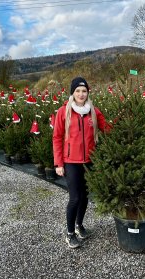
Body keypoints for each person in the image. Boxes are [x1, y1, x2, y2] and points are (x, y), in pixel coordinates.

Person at [52, 77, 110, 249]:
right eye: (78, 91)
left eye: (84, 91)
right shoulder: (64, 111)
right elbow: (56, 138)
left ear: (88, 93)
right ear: (73, 92)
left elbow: (106, 128)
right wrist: (58, 163)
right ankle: (69, 234)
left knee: (84, 197)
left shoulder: (93, 111)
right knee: (75, 197)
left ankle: (79, 225)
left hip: (89, 161)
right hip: (71, 161)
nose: (81, 94)